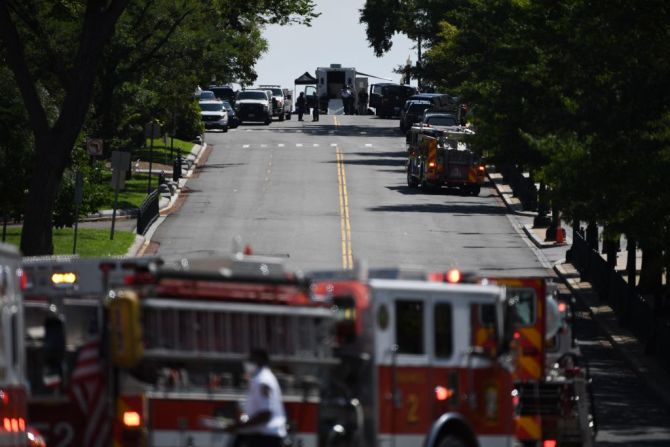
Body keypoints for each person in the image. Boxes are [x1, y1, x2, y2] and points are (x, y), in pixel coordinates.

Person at [227, 349, 287, 447]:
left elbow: (265, 414)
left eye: (251, 359)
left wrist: (238, 426)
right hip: (258, 436)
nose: (248, 363)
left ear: (261, 360)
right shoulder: (259, 378)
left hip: (265, 438)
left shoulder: (262, 380)